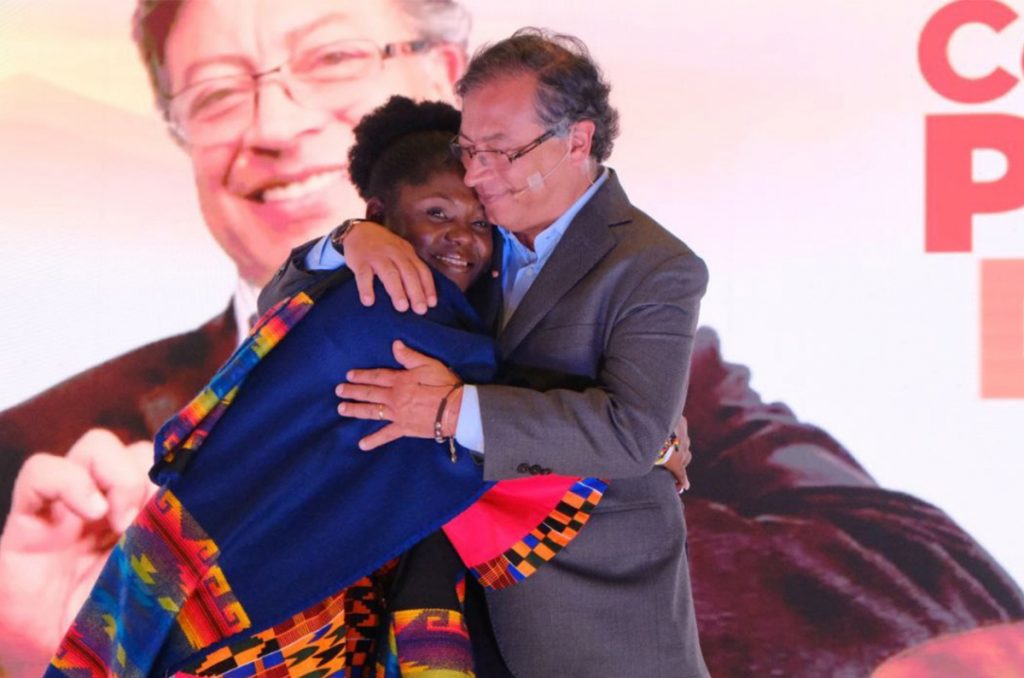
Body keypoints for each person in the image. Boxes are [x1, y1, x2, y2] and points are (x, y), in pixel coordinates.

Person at [2, 1, 1022, 676]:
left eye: (333, 56)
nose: (273, 125)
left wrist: (503, 450)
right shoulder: (39, 452)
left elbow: (931, 580)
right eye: (218, 91)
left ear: (450, 78)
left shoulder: (621, 322)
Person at [49, 96, 580, 677]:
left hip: (227, 559)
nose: (462, 238)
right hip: (264, 586)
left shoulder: (384, 299)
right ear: (380, 217)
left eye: (481, 223)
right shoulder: (385, 311)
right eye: (437, 213)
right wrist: (625, 431)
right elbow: (503, 430)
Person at [268, 28, 711, 677]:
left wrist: (449, 411)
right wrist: (347, 241)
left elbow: (630, 431)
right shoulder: (469, 239)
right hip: (435, 601)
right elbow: (285, 309)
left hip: (582, 620)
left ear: (577, 141)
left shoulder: (655, 266)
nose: (476, 176)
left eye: (500, 152)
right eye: (469, 150)